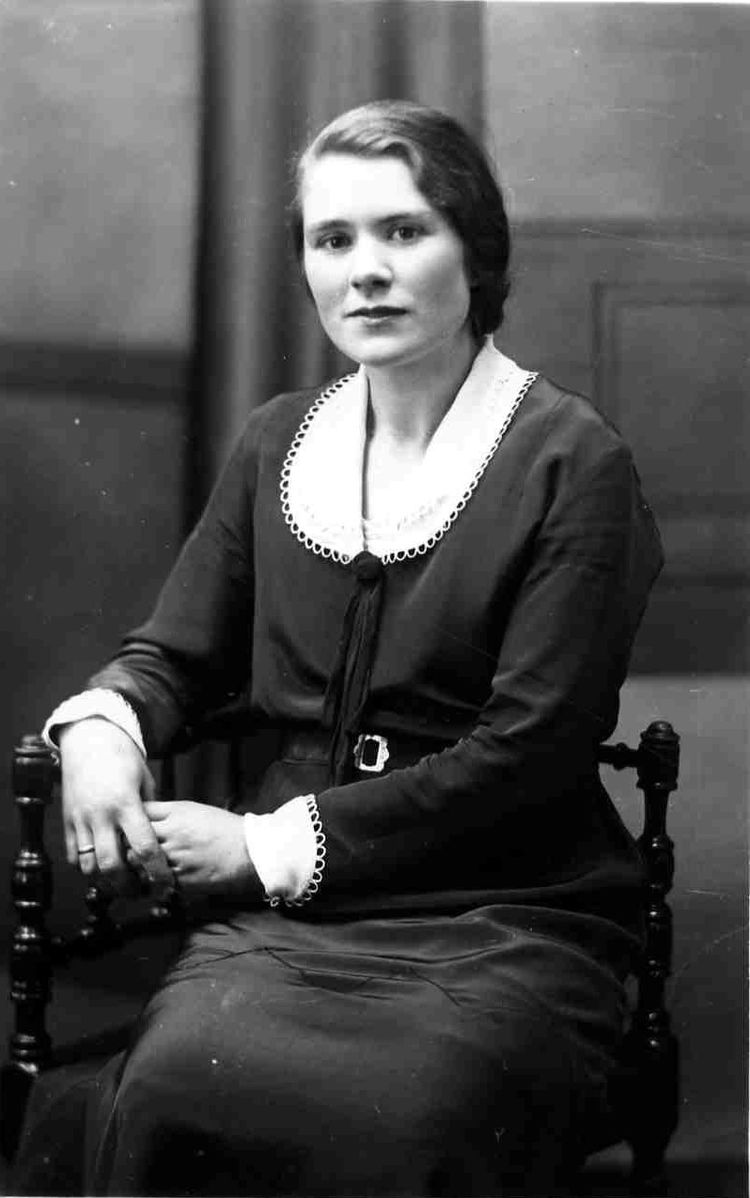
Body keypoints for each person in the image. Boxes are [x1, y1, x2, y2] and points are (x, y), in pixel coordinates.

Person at [14, 100, 663, 1197]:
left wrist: (263, 846)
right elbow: (175, 655)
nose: (366, 270)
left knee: (411, 1115)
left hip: (507, 913)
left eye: (404, 231)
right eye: (333, 239)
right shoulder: (278, 441)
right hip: (298, 928)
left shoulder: (571, 460)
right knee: (171, 1084)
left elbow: (532, 749)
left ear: (476, 249)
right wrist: (104, 731)